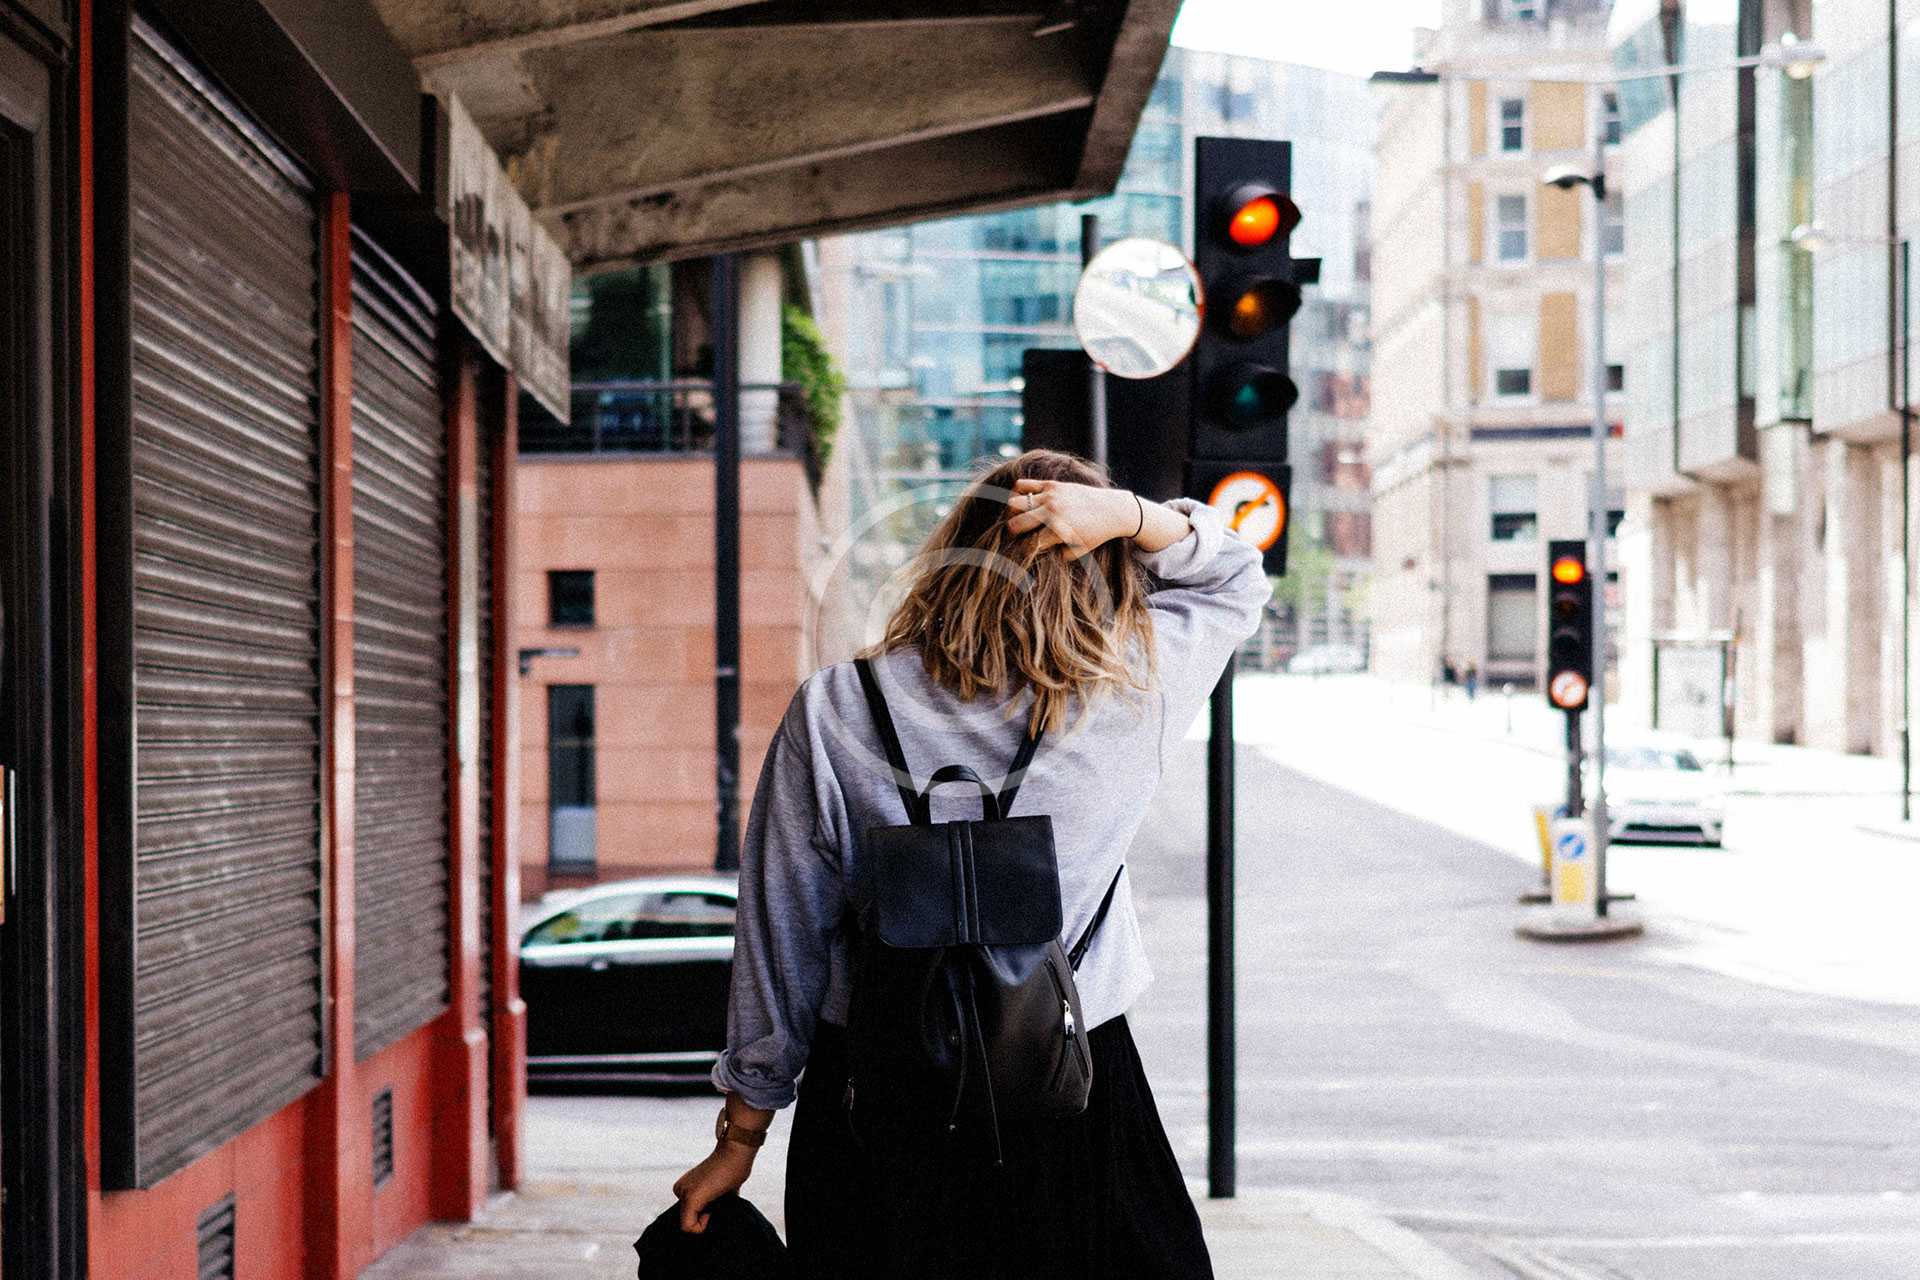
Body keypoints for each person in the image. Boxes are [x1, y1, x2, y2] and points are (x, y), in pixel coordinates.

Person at [671, 449, 1270, 1279]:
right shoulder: (1135, 688)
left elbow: (782, 935)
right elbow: (1235, 575)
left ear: (955, 552)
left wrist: (740, 1140)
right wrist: (1129, 515)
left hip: (873, 1102)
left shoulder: (836, 707)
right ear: (1106, 573)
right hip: (1070, 1084)